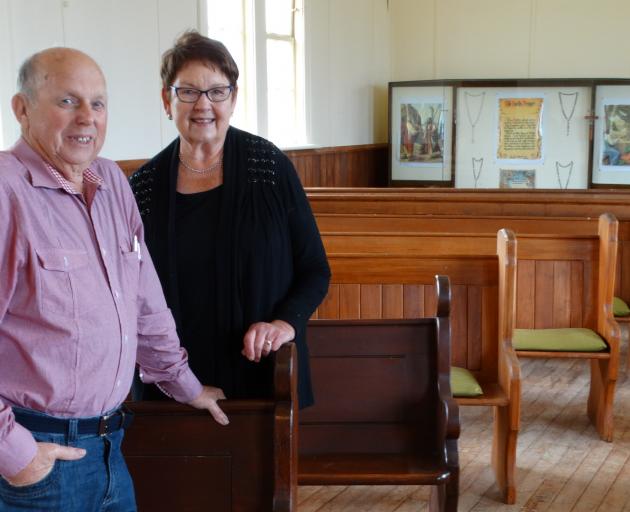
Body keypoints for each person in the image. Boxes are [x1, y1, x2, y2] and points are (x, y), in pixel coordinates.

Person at [0, 47, 228, 512]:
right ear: (22, 109)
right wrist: (15, 453)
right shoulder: (7, 192)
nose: (87, 117)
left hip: (110, 448)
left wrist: (184, 384)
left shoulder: (110, 182)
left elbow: (144, 303)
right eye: (67, 101)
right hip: (36, 457)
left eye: (98, 103)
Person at [129, 31, 330, 408]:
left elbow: (315, 269)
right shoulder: (142, 187)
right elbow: (132, 295)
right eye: (187, 91)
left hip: (262, 376)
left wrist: (284, 324)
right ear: (166, 100)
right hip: (175, 388)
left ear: (233, 99)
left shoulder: (269, 167)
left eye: (217, 91)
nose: (203, 104)